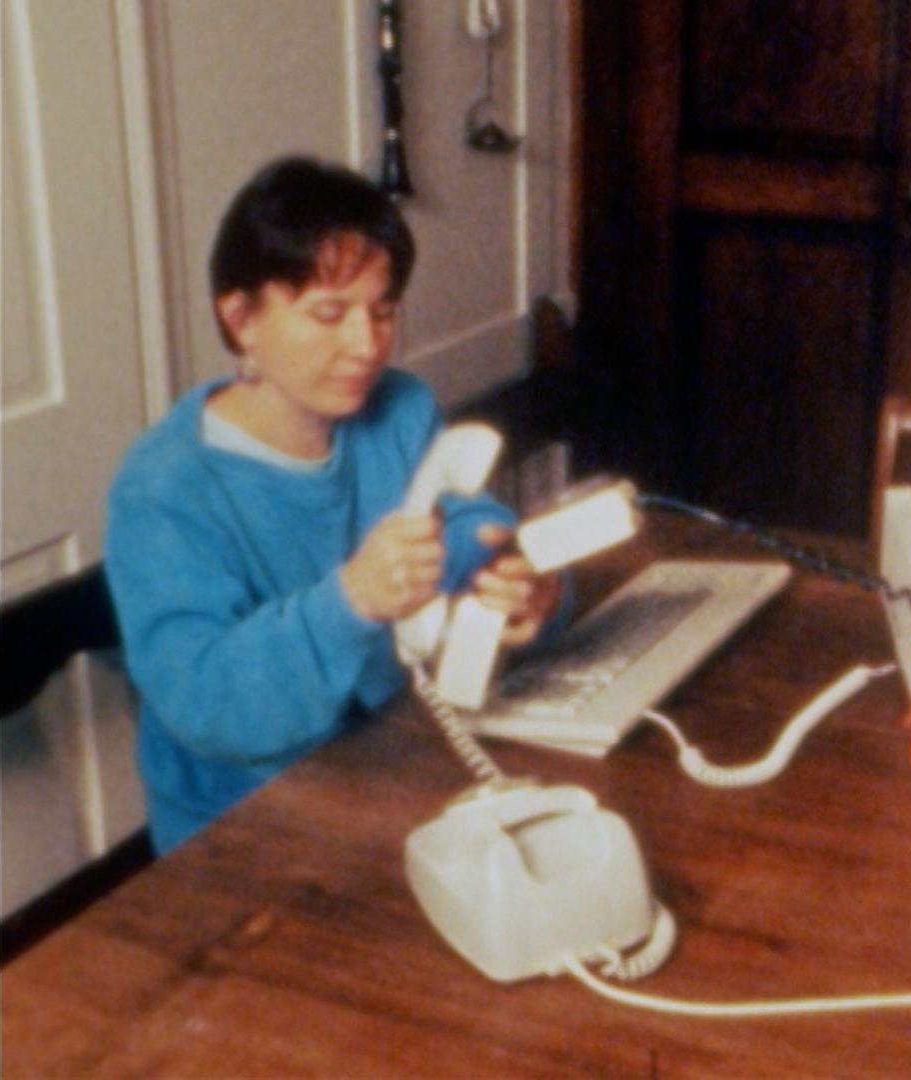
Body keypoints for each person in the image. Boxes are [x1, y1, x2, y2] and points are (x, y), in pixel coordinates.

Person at [104, 156, 565, 854]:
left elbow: (464, 525)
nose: (367, 344)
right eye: (329, 314)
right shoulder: (163, 491)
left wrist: (518, 587)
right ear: (241, 319)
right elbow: (207, 705)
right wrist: (351, 601)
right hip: (240, 831)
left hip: (394, 764)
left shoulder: (399, 408)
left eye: (382, 311)